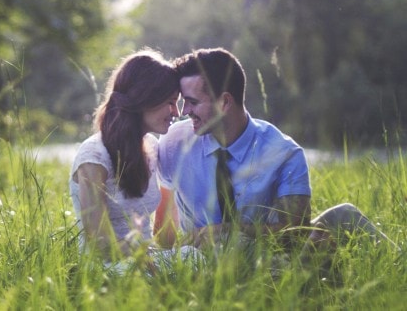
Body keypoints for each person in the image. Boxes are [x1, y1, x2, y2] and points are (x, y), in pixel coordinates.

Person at [154, 47, 395, 252]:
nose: (184, 112)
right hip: (197, 261)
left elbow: (295, 233)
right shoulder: (174, 142)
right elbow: (163, 220)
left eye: (193, 102)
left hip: (262, 262)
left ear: (225, 102)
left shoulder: (284, 153)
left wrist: (228, 232)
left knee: (344, 215)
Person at [69, 49, 200, 274]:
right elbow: (100, 243)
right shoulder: (94, 157)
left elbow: (162, 232)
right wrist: (146, 260)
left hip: (145, 258)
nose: (175, 112)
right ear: (145, 99)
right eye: (170, 102)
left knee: (197, 257)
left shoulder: (152, 147)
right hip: (108, 264)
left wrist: (180, 247)